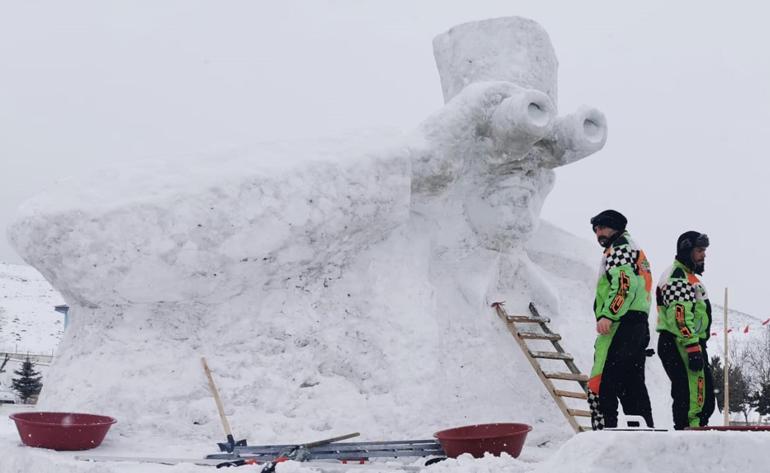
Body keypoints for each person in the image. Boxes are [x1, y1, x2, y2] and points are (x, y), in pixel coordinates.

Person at [587, 210, 654, 429]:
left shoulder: (620, 248)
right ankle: (644, 433)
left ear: (615, 226)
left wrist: (608, 313)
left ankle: (604, 435)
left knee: (602, 382)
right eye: (595, 230)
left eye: (602, 227)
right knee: (632, 385)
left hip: (621, 323)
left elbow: (625, 284)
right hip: (637, 324)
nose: (598, 233)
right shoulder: (633, 248)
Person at [656, 231, 715, 429]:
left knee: (703, 398)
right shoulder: (677, 276)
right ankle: (688, 432)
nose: (703, 255)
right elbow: (679, 316)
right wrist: (692, 346)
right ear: (686, 251)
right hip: (679, 341)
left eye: (704, 251)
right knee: (692, 396)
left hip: (691, 342)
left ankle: (694, 428)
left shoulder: (689, 277)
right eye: (699, 250)